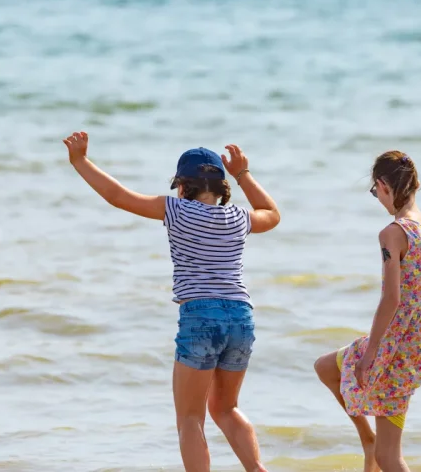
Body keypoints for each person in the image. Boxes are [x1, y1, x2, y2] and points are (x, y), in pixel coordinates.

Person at [62, 131, 281, 472]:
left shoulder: (176, 210)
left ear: (182, 185)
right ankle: (258, 469)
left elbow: (117, 196)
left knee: (190, 418)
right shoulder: (239, 218)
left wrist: (81, 161)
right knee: (225, 408)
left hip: (200, 317)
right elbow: (272, 212)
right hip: (241, 317)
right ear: (222, 188)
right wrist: (243, 174)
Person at [312, 151, 421, 472]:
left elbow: (391, 300)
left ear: (383, 185)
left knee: (389, 458)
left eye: (374, 192)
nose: (377, 199)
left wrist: (369, 356)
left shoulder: (392, 234)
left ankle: (373, 446)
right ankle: (367, 439)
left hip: (393, 350)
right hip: (418, 347)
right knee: (327, 367)